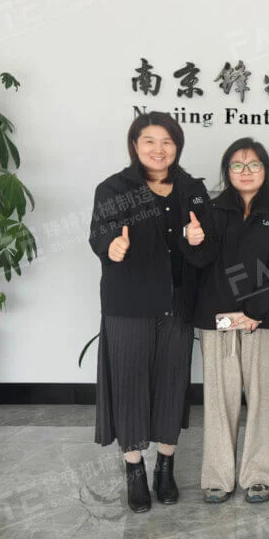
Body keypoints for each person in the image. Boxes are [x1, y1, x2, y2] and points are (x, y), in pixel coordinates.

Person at [88, 111, 213, 513]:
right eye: (149, 141)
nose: (159, 150)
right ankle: (134, 470)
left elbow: (206, 250)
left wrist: (198, 240)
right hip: (129, 304)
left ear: (177, 147)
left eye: (167, 142)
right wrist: (113, 246)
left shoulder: (193, 190)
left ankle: (165, 466)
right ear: (135, 145)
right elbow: (100, 234)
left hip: (178, 304)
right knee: (130, 384)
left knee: (172, 384)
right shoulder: (114, 189)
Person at [191, 138, 269, 505]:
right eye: (237, 165)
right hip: (218, 319)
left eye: (253, 164)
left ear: (265, 170)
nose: (246, 171)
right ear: (227, 171)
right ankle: (217, 478)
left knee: (263, 399)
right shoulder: (211, 211)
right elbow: (201, 264)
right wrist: (192, 240)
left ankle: (259, 476)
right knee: (218, 400)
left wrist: (254, 311)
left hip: (263, 320)